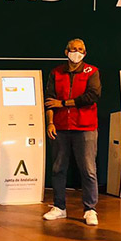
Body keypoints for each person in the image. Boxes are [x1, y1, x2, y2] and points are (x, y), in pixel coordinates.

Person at [42, 38, 102, 226]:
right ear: (66, 51)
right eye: (73, 49)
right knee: (58, 168)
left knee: (88, 170)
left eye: (81, 49)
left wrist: (65, 103)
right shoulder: (56, 72)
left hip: (85, 127)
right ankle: (59, 207)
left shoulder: (92, 71)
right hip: (60, 127)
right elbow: (49, 100)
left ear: (85, 53)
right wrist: (50, 122)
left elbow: (93, 96)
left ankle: (90, 209)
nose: (77, 52)